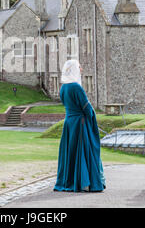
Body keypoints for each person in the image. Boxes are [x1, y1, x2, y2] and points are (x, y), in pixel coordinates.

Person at [53, 60, 106, 192]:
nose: (81, 69)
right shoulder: (76, 87)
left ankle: (70, 181)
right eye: (79, 67)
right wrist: (92, 118)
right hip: (80, 124)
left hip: (69, 122)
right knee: (85, 150)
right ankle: (87, 182)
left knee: (71, 152)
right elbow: (87, 107)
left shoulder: (63, 87)